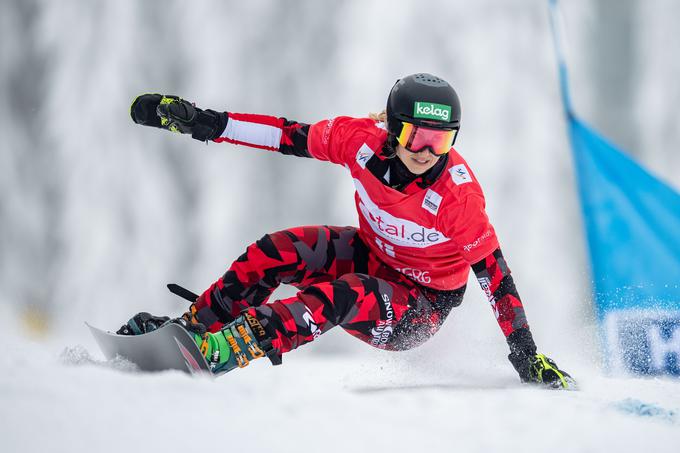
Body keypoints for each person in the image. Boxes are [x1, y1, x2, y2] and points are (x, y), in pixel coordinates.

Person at [121, 73, 575, 389]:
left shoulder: (458, 197)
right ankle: (193, 330)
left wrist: (526, 354)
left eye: (443, 140)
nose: (428, 151)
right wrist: (205, 123)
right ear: (393, 129)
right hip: (373, 254)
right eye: (418, 136)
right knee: (277, 250)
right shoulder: (358, 141)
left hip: (421, 306)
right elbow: (285, 136)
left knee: (341, 295)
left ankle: (225, 350)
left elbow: (496, 279)